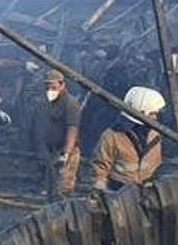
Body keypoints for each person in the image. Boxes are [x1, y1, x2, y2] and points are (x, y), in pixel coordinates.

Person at [92, 86, 166, 191]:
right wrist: (101, 194)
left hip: (148, 190)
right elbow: (100, 168)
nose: (155, 118)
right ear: (142, 111)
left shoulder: (154, 135)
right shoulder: (112, 136)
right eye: (152, 113)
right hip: (119, 191)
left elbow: (158, 165)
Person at [39, 69, 82, 198]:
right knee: (52, 187)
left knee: (64, 188)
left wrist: (66, 153)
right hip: (52, 150)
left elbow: (72, 129)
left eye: (53, 87)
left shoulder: (70, 103)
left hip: (66, 151)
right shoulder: (48, 101)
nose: (50, 90)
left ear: (62, 84)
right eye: (47, 86)